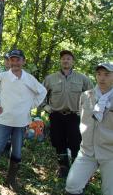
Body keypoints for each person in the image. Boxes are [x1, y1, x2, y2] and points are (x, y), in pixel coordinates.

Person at [0, 49, 47, 189]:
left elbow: (42, 91)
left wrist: (31, 105)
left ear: (23, 61)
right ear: (8, 61)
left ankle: (11, 180)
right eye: (12, 59)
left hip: (21, 121)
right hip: (3, 120)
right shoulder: (2, 76)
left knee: (17, 151)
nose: (15, 63)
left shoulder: (29, 79)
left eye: (18, 60)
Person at [42, 50, 93, 178]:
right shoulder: (50, 78)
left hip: (74, 116)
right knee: (58, 141)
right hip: (56, 115)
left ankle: (77, 169)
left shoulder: (82, 78)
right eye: (63, 58)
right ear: (60, 61)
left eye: (69, 58)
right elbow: (40, 95)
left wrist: (85, 110)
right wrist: (46, 107)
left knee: (76, 142)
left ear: (73, 62)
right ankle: (63, 167)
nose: (66, 60)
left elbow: (92, 95)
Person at [65, 63, 113, 195]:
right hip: (87, 151)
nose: (102, 78)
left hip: (110, 153)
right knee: (72, 186)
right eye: (99, 74)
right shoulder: (86, 96)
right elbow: (83, 117)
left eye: (107, 75)